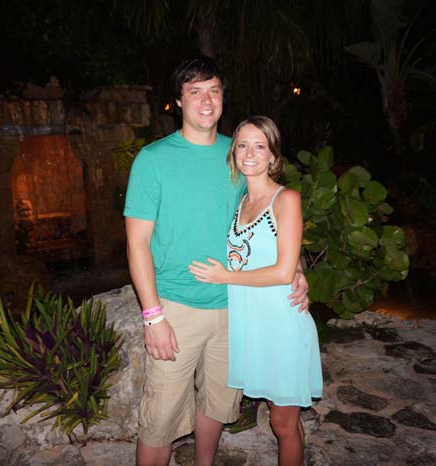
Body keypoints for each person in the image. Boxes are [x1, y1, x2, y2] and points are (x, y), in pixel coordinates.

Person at [124, 56, 310, 466]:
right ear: (178, 100)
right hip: (176, 307)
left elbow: (270, 213)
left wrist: (295, 270)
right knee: (159, 419)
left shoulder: (239, 154)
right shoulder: (153, 160)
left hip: (235, 309)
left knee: (218, 405)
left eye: (214, 90)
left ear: (223, 97)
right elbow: (137, 243)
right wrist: (153, 316)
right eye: (195, 92)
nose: (206, 101)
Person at [188, 116, 323, 466]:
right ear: (233, 153)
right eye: (242, 145)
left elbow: (282, 271)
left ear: (273, 155)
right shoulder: (238, 202)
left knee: (282, 422)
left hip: (281, 325)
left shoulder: (285, 199)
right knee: (283, 418)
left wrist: (226, 277)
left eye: (259, 146)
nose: (250, 153)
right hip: (252, 326)